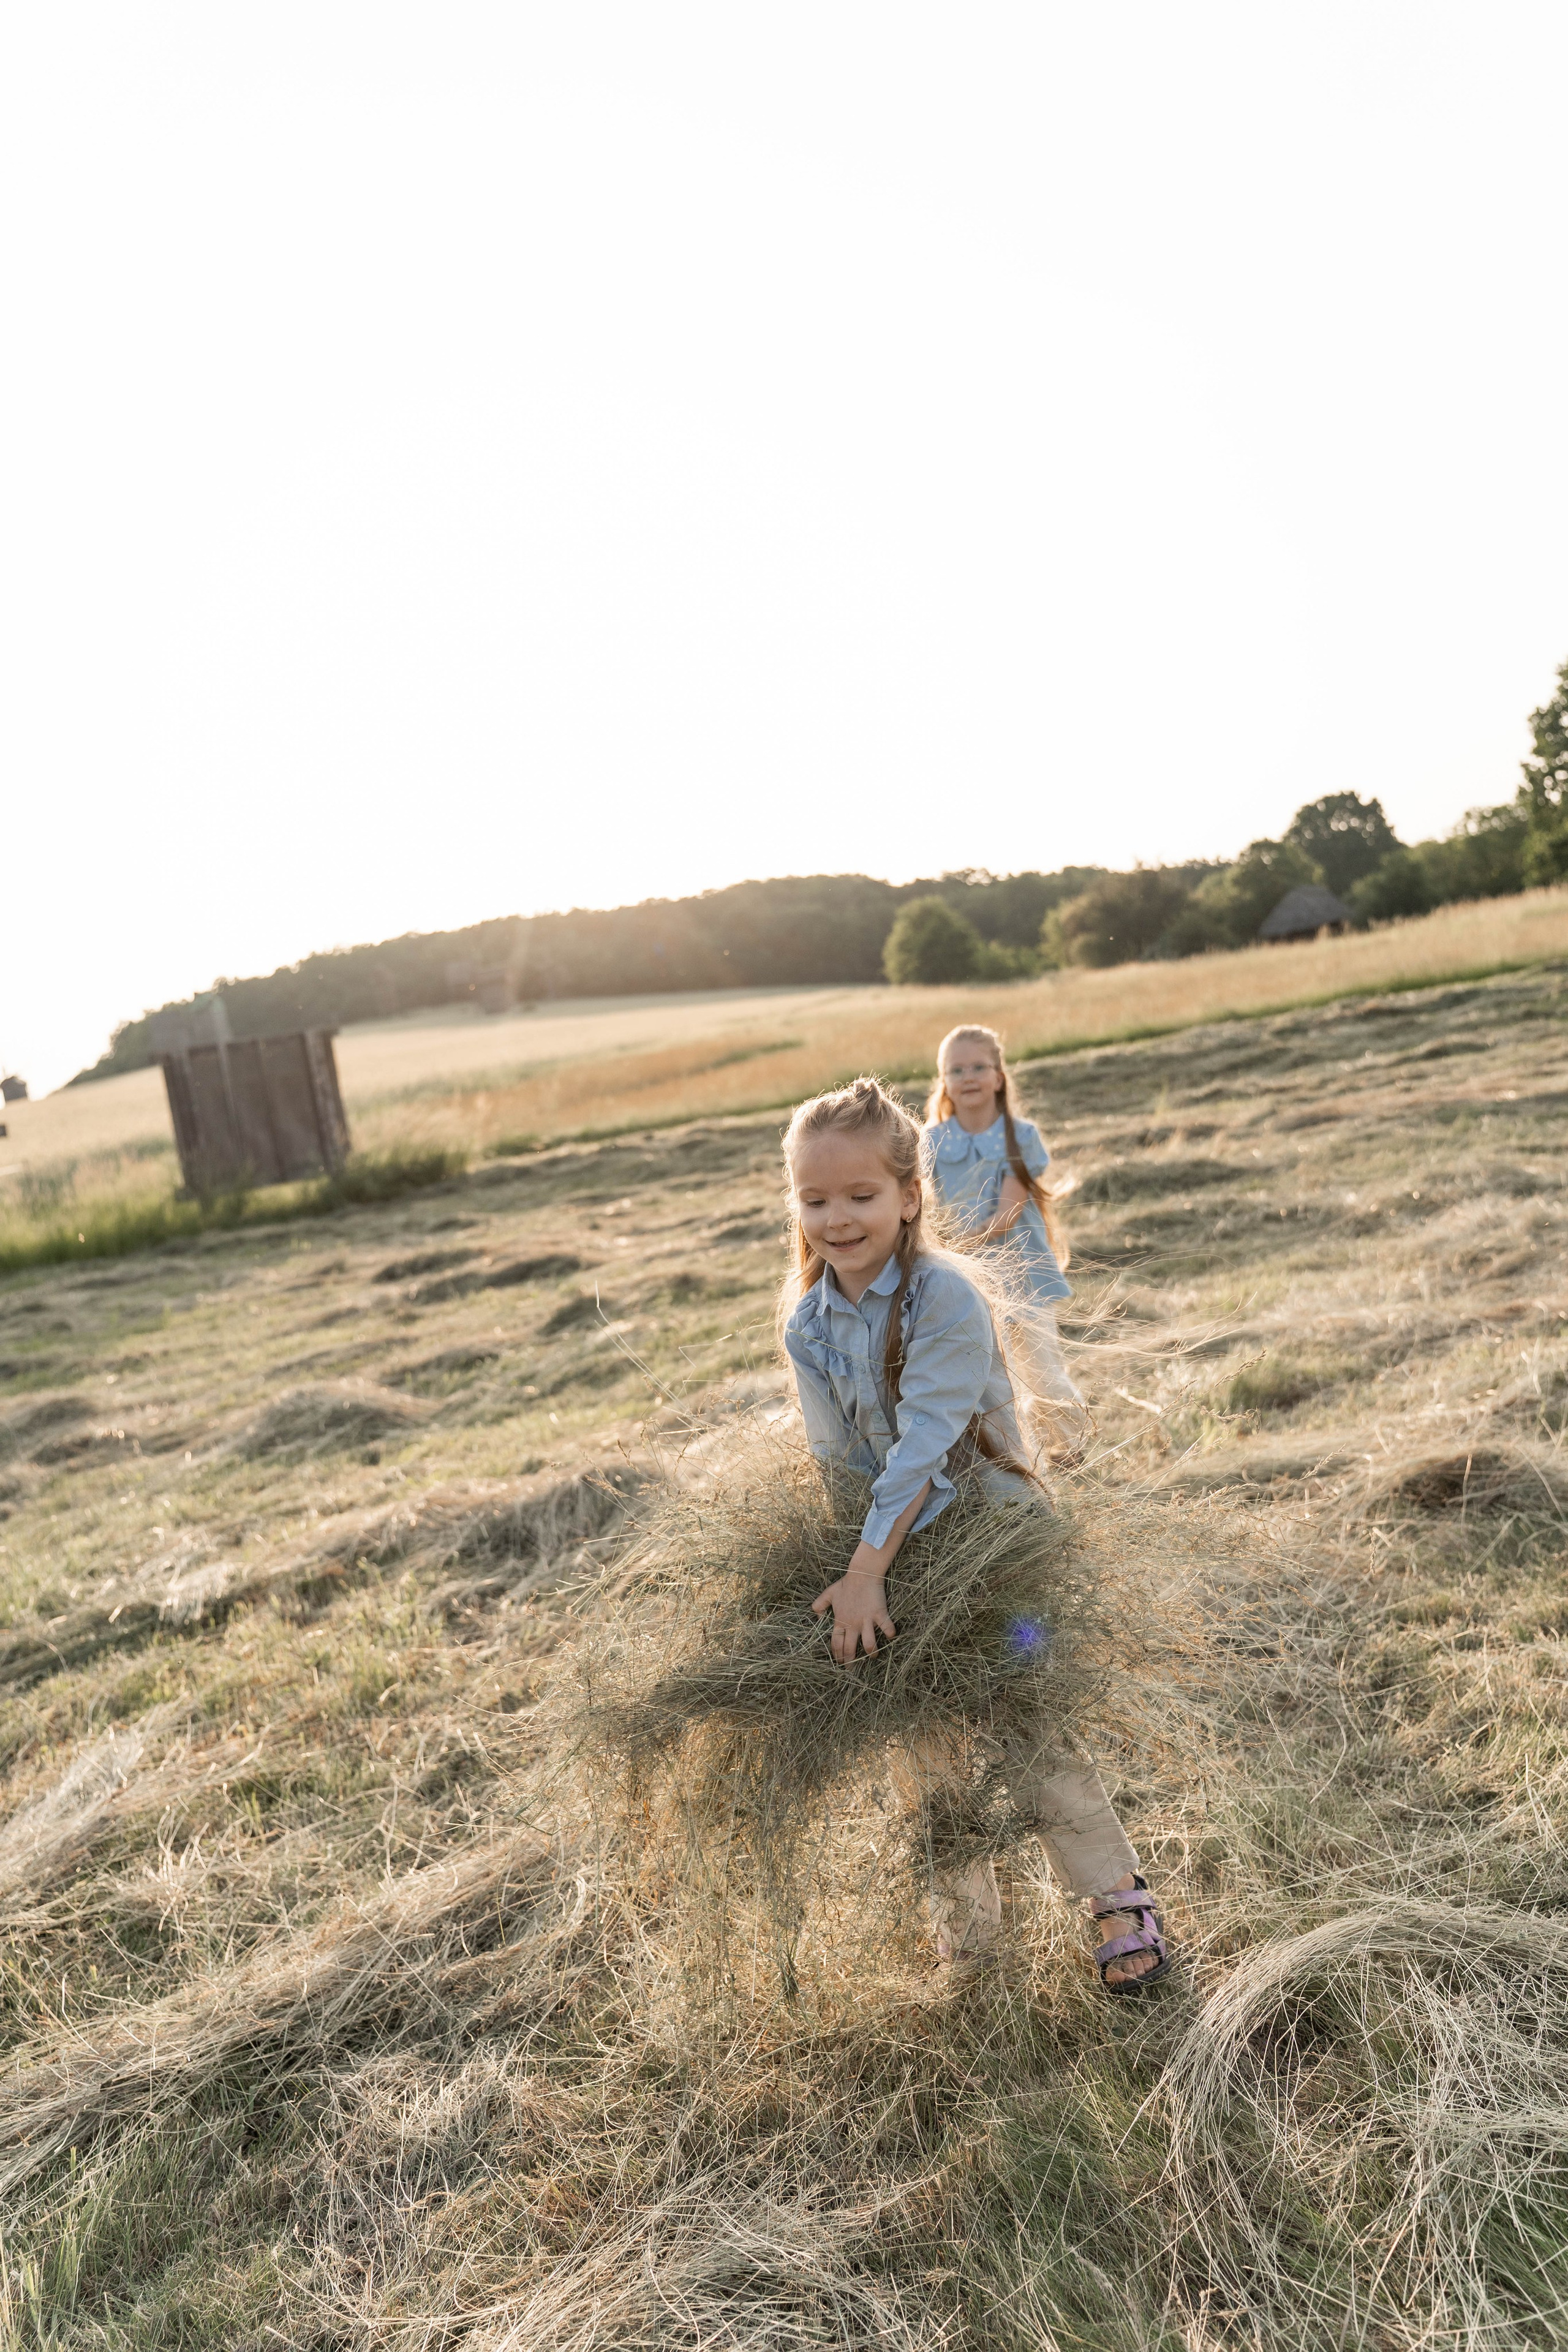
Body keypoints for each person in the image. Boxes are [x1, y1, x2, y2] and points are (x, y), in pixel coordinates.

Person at [778, 1075, 1169, 1991]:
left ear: (911, 1197)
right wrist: (852, 1571)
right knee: (926, 1748)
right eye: (815, 1199)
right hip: (892, 1558)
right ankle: (972, 1937)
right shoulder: (810, 1324)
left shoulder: (945, 1298)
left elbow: (924, 1445)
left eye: (861, 1196)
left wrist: (868, 1568)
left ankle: (1115, 1901)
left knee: (1026, 1721)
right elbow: (838, 1463)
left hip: (993, 1550)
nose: (837, 1219)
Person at [924, 1024, 1089, 1461]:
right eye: (956, 1069)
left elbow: (1005, 1216)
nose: (968, 1076)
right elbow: (927, 1208)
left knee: (1044, 1373)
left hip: (1023, 1275)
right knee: (994, 1379)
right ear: (944, 1082)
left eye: (979, 1066)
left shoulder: (1019, 1135)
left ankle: (1072, 1450)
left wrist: (950, 1245)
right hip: (966, 1282)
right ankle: (1017, 1460)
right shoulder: (933, 1143)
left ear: (999, 1077)